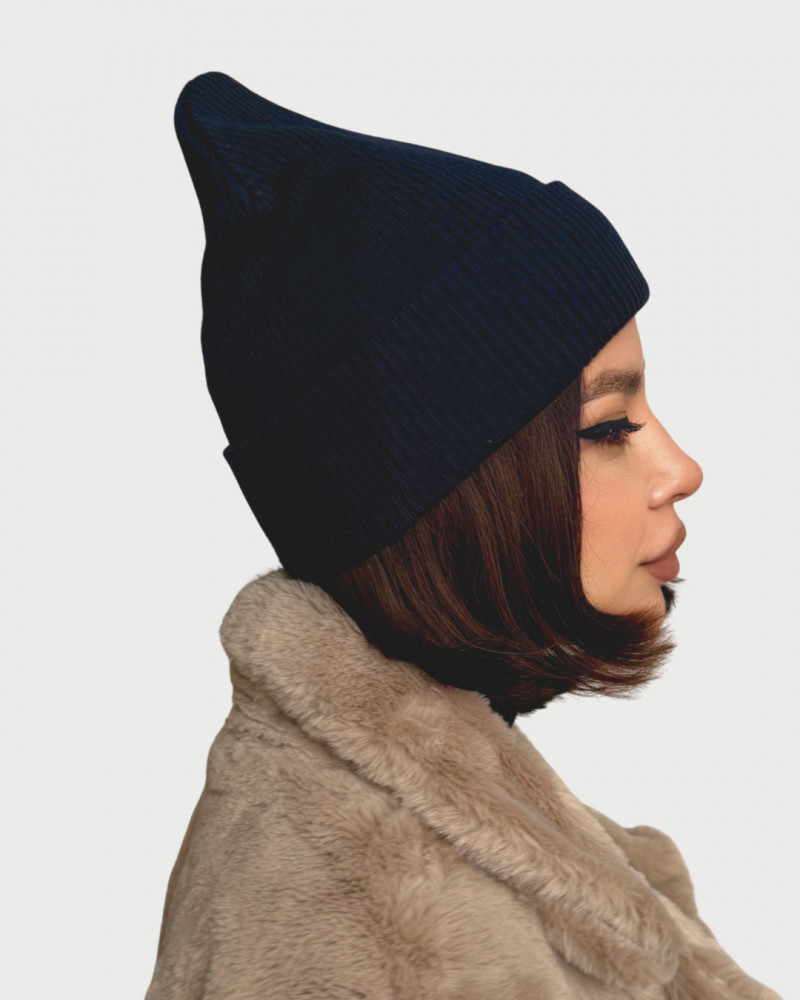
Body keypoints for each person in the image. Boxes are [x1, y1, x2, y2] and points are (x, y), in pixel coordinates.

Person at [144, 71, 781, 999]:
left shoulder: (455, 850)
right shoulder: (365, 917)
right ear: (447, 495)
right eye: (609, 427)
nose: (681, 469)